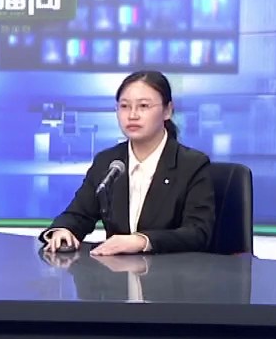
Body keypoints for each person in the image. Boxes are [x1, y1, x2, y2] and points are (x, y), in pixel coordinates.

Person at [40, 70, 215, 256]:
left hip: (172, 272)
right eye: (124, 106)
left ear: (167, 111)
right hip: (115, 271)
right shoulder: (107, 162)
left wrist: (143, 241)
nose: (132, 115)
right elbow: (79, 214)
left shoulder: (192, 164)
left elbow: (198, 232)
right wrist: (64, 230)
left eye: (143, 106)